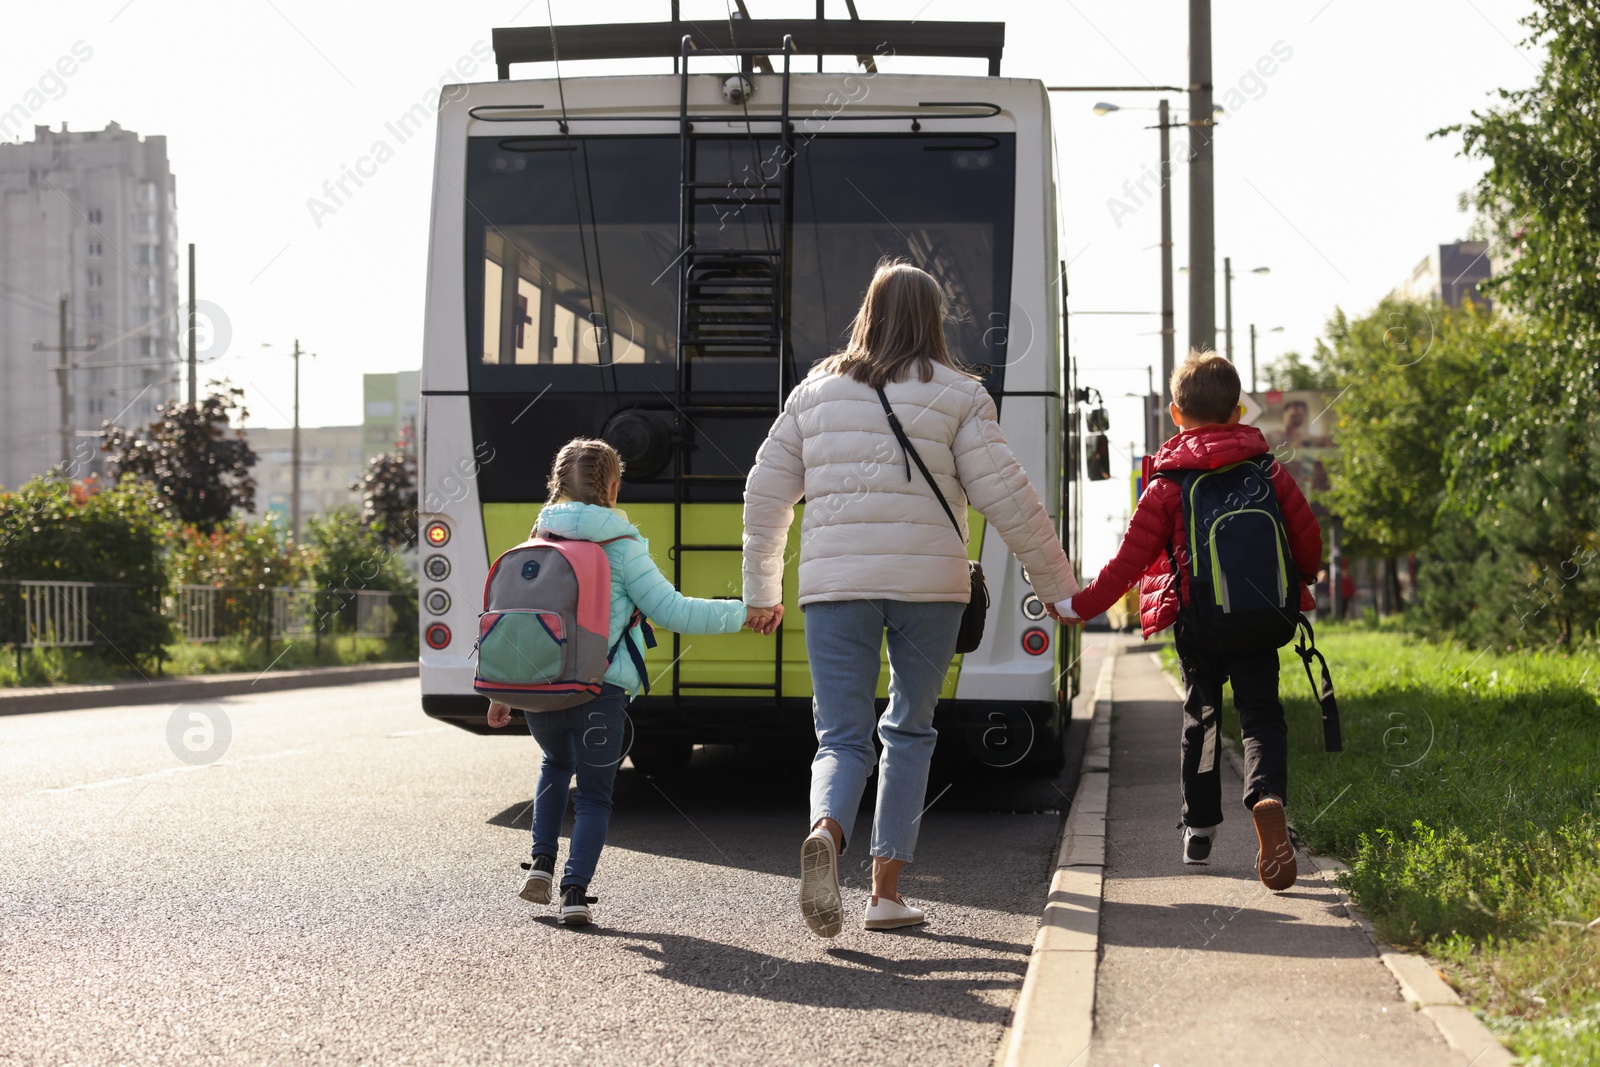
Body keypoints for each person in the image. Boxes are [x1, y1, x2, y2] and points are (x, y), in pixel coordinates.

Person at [742, 260, 1078, 937]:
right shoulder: (960, 394)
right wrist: (1060, 590)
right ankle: (885, 893)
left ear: (869, 311)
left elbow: (766, 493)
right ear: (934, 319)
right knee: (908, 730)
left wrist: (762, 588)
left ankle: (826, 831)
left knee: (839, 735)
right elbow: (1009, 501)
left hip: (837, 587)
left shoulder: (815, 393)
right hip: (930, 586)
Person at [1060, 352, 1321, 891]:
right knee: (1261, 715)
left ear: (1176, 415)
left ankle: (1200, 829)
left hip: (1200, 624)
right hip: (1260, 617)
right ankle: (1267, 795)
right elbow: (1306, 536)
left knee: (1201, 717)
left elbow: (1127, 563)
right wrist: (1304, 579)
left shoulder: (1168, 484)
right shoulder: (1267, 469)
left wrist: (1080, 607)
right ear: (1238, 411)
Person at [486, 438, 766, 926]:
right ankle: (574, 892)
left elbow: (513, 619)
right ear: (613, 487)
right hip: (600, 690)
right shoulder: (622, 546)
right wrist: (744, 613)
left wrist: (500, 691)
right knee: (594, 794)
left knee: (554, 765)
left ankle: (541, 865)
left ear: (558, 484)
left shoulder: (537, 538)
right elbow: (672, 611)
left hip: (539, 687)